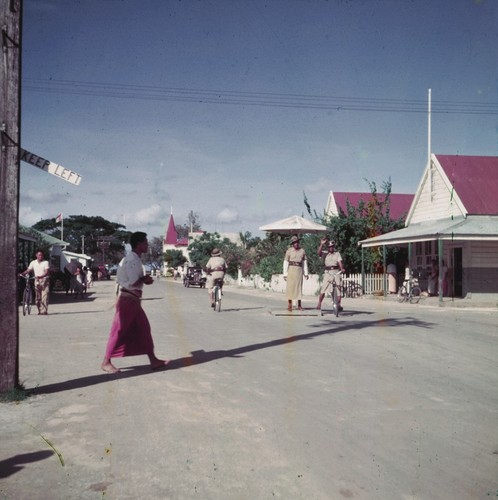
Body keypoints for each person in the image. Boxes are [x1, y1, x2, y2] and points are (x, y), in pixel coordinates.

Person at [101, 231, 169, 374]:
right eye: (145, 242)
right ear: (139, 244)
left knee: (144, 329)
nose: (147, 245)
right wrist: (145, 279)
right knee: (118, 331)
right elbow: (133, 282)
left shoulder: (135, 258)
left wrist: (145, 280)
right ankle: (106, 362)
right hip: (128, 300)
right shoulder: (132, 259)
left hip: (133, 300)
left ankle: (153, 360)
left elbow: (136, 281)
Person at [316, 238, 346, 310]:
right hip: (328, 272)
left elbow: (339, 262)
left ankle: (338, 305)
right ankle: (319, 303)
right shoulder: (325, 253)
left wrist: (342, 268)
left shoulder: (337, 254)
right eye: (329, 247)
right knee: (323, 288)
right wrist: (321, 244)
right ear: (328, 248)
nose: (331, 248)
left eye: (332, 246)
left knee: (338, 287)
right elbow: (319, 253)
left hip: (336, 271)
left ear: (334, 247)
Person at [20, 250, 50, 315]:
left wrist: (41, 276)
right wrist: (22, 273)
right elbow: (29, 270)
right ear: (36, 255)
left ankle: (44, 311)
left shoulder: (45, 262)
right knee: (37, 297)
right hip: (37, 280)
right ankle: (39, 310)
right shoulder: (33, 262)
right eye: (39, 255)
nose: (40, 256)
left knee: (44, 296)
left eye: (42, 255)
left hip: (44, 280)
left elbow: (47, 271)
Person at [283, 235, 309, 311]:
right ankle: (289, 304)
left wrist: (306, 273)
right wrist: (285, 274)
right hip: (291, 270)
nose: (296, 244)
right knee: (290, 287)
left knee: (299, 287)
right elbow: (285, 262)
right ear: (292, 244)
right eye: (294, 242)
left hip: (299, 270)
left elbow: (305, 262)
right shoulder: (289, 251)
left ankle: (299, 305)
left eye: (297, 242)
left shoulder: (302, 251)